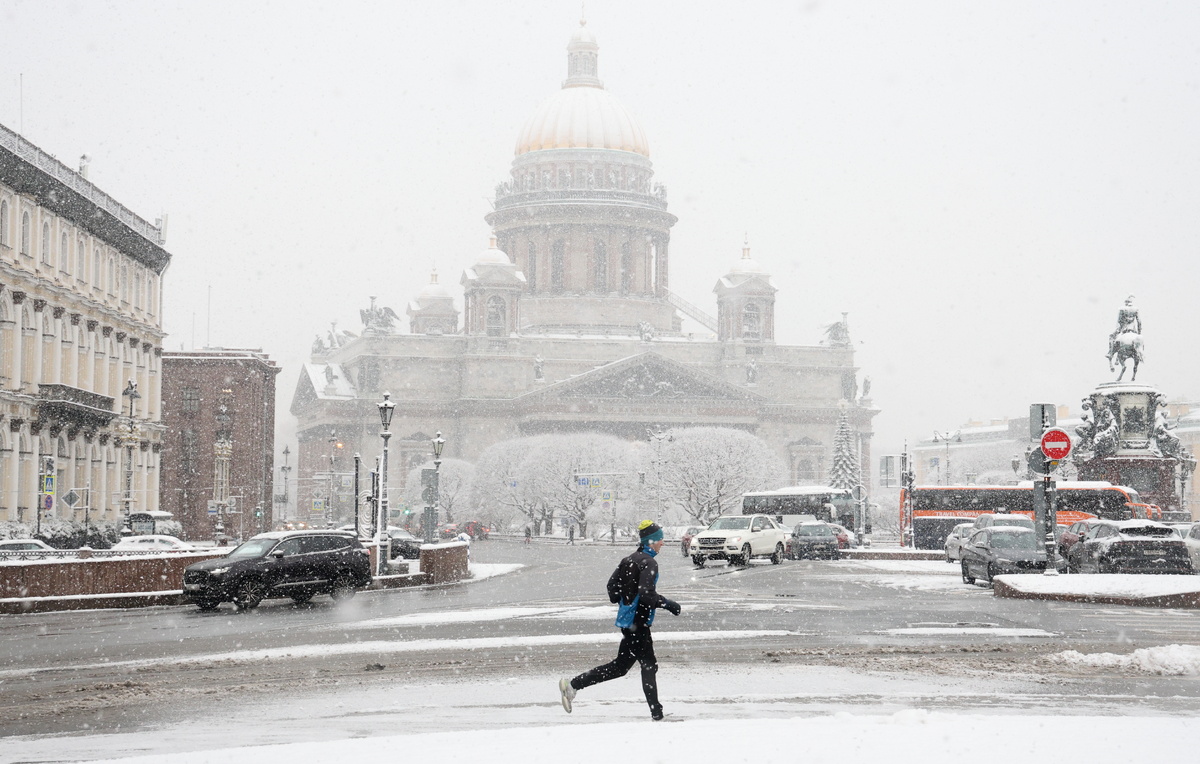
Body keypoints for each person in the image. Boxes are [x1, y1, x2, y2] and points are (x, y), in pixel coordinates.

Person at [558, 520, 682, 721]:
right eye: (660, 540)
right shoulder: (649, 562)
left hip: (628, 622)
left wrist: (625, 601)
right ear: (651, 541)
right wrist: (668, 604)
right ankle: (657, 714)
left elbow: (612, 587)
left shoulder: (629, 559)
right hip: (638, 623)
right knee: (648, 665)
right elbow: (646, 594)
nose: (662, 543)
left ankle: (573, 685)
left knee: (620, 667)